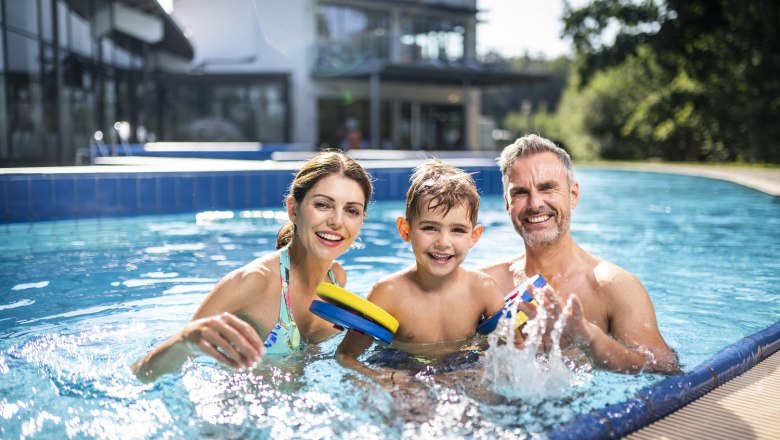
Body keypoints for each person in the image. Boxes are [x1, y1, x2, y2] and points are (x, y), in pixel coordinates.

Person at [132, 151, 373, 382]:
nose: (336, 222)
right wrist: (186, 340)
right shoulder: (252, 282)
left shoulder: (336, 278)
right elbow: (143, 373)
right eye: (322, 205)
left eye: (351, 210)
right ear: (293, 209)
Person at [477, 134, 680, 374]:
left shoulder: (613, 287)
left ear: (573, 195)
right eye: (520, 193)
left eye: (547, 188)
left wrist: (588, 338)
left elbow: (666, 368)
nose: (534, 204)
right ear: (507, 204)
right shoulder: (483, 285)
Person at [336, 159, 506, 373]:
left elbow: (510, 349)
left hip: (462, 370)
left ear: (474, 236)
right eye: (429, 228)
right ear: (405, 230)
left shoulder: (483, 289)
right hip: (403, 370)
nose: (443, 242)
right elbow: (346, 355)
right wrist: (378, 379)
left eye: (458, 230)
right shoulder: (389, 293)